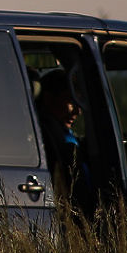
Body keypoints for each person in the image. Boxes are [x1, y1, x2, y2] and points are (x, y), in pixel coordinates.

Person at [35, 67, 95, 214]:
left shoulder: (62, 133)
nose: (77, 111)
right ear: (48, 98)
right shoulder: (49, 135)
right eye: (71, 102)